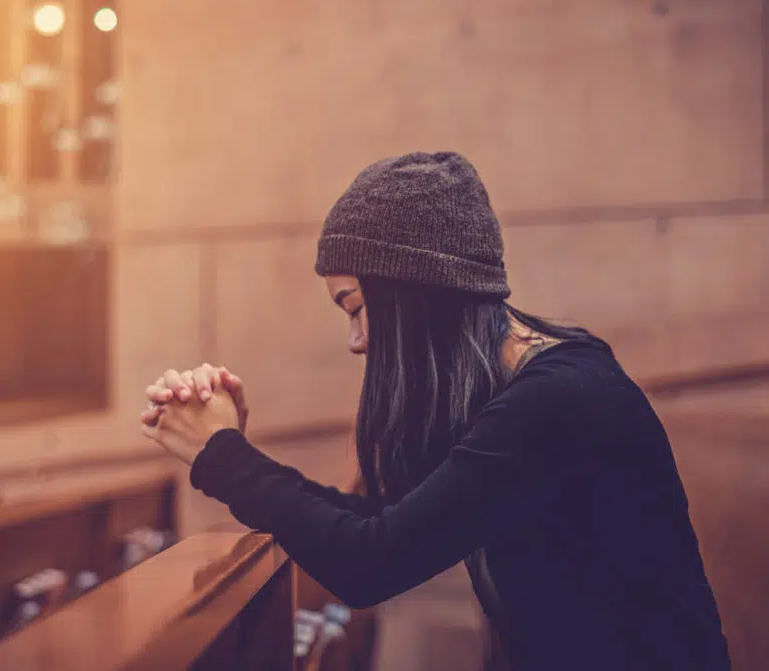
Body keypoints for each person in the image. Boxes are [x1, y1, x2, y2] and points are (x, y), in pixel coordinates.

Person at [140, 152, 730, 671]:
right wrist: (234, 450)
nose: (356, 340)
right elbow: (380, 522)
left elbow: (369, 562)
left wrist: (221, 455)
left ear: (410, 294)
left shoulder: (559, 398)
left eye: (355, 307)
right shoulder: (524, 389)